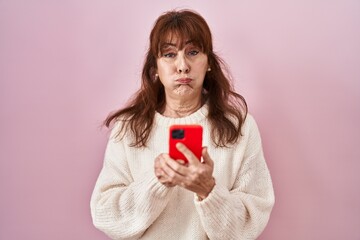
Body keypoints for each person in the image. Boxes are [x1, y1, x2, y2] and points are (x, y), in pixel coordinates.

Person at [90, 9, 275, 240]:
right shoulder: (129, 128)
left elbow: (249, 224)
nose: (182, 66)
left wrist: (208, 190)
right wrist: (157, 181)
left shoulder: (241, 127)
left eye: (193, 52)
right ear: (155, 67)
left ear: (208, 63)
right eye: (168, 54)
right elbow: (106, 216)